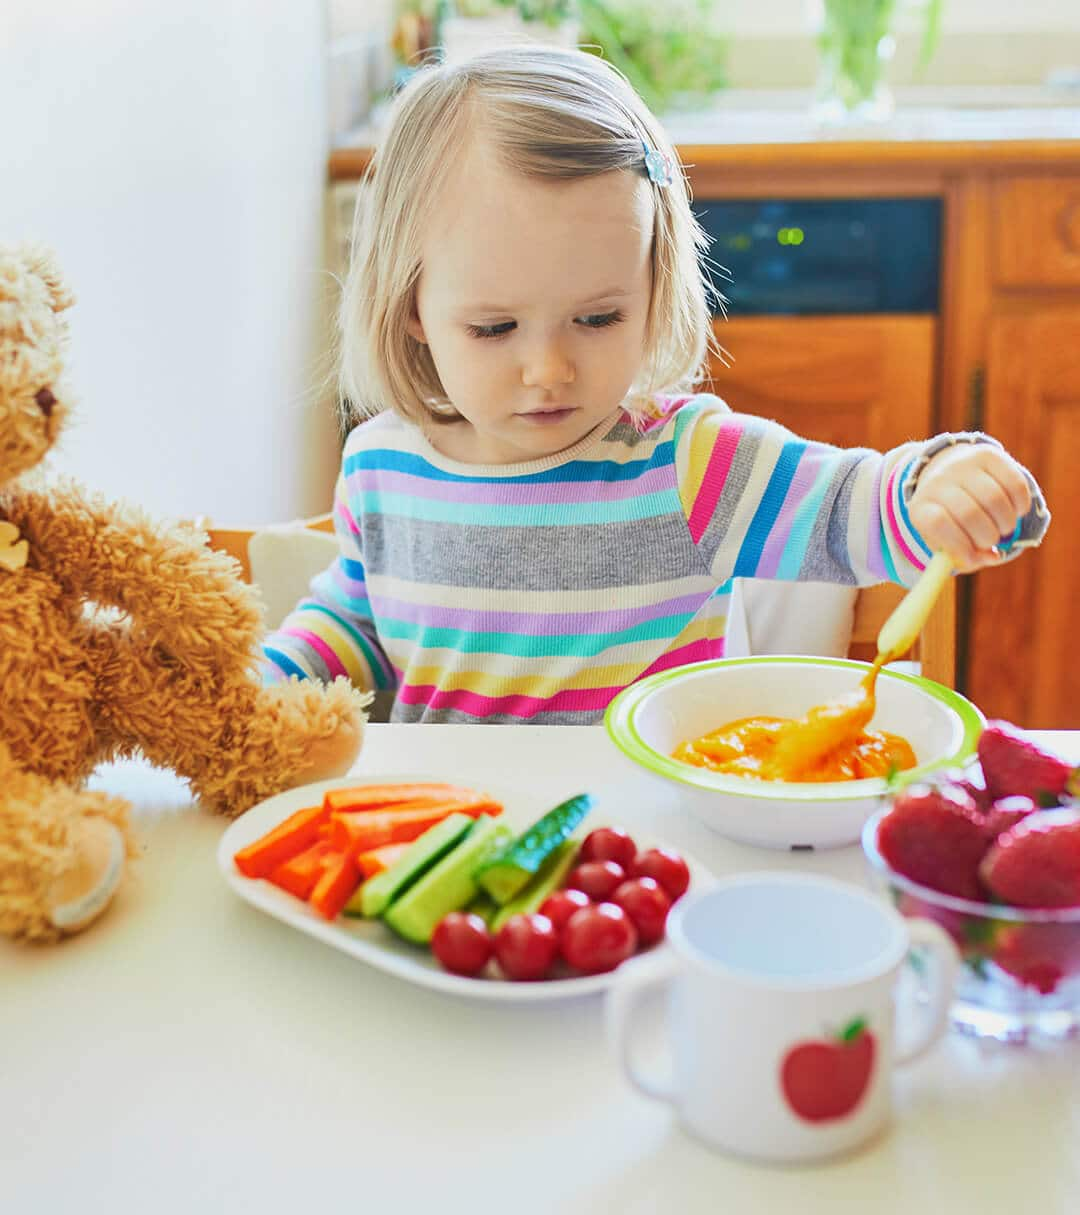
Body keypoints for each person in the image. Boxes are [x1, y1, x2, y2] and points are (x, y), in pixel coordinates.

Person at [262, 46, 1048, 724]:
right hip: (447, 853)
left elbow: (852, 507)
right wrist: (265, 683)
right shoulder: (379, 469)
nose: (549, 370)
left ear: (654, 286)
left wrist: (936, 487)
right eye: (495, 328)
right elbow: (357, 622)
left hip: (641, 866)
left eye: (599, 317)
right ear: (411, 308)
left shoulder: (689, 464)